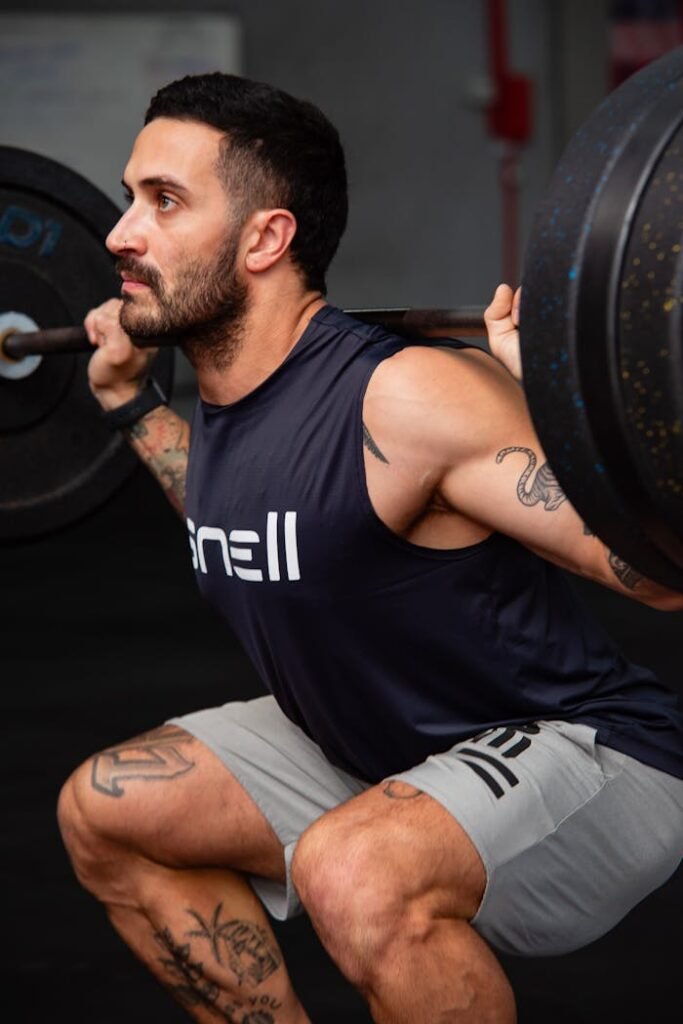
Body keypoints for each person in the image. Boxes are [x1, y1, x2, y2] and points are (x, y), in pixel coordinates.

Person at [57, 72, 683, 1024]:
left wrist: (576, 417)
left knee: (351, 868)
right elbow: (257, 525)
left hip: (595, 754)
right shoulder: (235, 392)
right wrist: (129, 402)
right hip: (373, 748)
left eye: (164, 202)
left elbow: (655, 576)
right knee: (106, 810)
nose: (118, 234)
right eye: (129, 196)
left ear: (266, 239)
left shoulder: (407, 397)